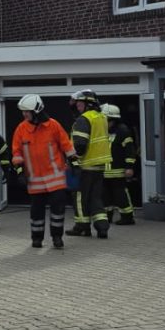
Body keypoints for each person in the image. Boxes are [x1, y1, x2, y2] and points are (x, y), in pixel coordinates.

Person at [11, 94, 76, 249]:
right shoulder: (21, 128)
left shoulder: (53, 126)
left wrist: (74, 162)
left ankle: (57, 237)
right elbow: (17, 152)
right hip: (34, 179)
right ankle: (37, 238)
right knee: (36, 212)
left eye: (27, 111)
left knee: (58, 210)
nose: (24, 114)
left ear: (37, 111)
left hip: (55, 177)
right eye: (23, 112)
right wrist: (19, 171)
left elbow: (66, 145)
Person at [65, 89, 112, 239]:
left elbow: (80, 144)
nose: (77, 107)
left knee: (79, 196)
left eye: (79, 104)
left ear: (88, 104)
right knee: (96, 197)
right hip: (99, 166)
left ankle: (82, 226)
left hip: (84, 166)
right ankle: (102, 226)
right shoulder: (102, 117)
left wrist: (73, 158)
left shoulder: (83, 119)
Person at [101, 104, 138, 225]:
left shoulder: (123, 131)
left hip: (118, 170)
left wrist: (129, 167)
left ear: (112, 119)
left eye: (104, 120)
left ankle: (127, 217)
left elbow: (130, 150)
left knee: (120, 194)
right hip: (105, 171)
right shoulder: (104, 131)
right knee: (106, 196)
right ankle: (107, 216)